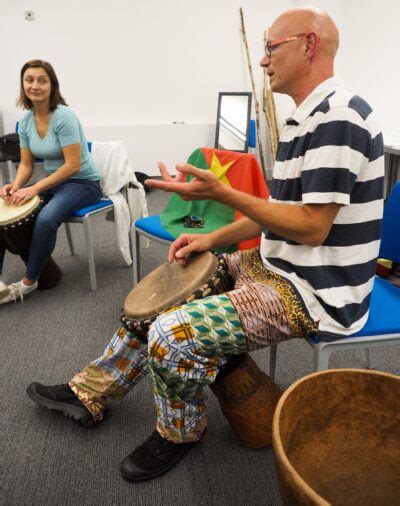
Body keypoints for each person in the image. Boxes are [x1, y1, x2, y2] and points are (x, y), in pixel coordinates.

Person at [26, 7, 384, 482]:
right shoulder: (307, 119)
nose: (262, 61)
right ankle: (90, 391)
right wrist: (210, 238)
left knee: (173, 335)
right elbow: (277, 212)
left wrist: (222, 193)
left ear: (308, 44)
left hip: (317, 290)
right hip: (278, 263)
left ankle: (180, 432)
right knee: (165, 291)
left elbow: (311, 227)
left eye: (271, 47)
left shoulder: (340, 117)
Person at [0, 60, 102, 304]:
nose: (35, 85)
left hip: (83, 184)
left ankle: (29, 281)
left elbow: (72, 165)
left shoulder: (63, 116)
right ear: (23, 85)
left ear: (52, 85)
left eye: (42, 80)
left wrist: (33, 188)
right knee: (5, 213)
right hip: (55, 183)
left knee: (46, 219)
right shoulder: (26, 122)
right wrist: (15, 185)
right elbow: (25, 164)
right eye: (29, 80)